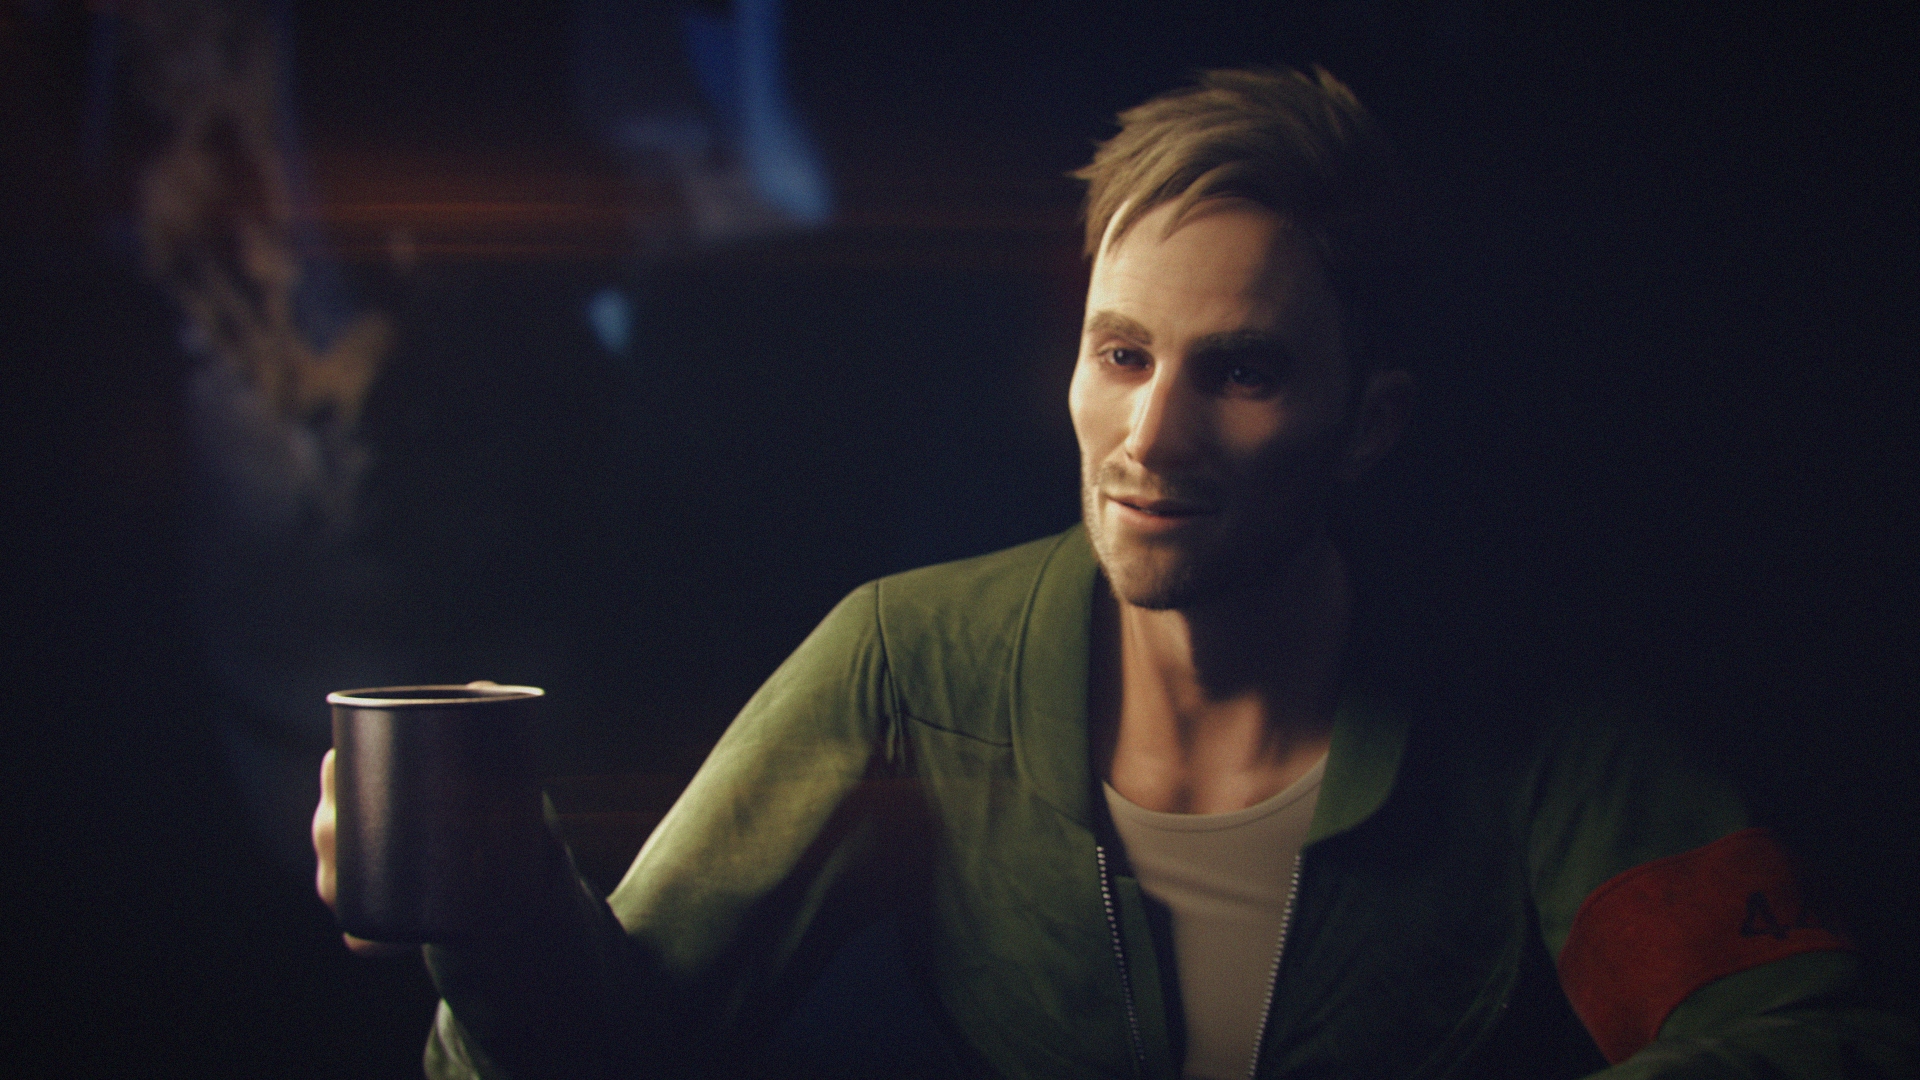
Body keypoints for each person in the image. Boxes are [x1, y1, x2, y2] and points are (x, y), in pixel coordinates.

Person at [312, 68, 1914, 1079]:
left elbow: (1810, 1034)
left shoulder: (1525, 711)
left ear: (1368, 425)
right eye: (1122, 353)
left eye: (1244, 372)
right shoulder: (906, 664)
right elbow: (610, 1051)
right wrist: (501, 912)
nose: (1151, 436)